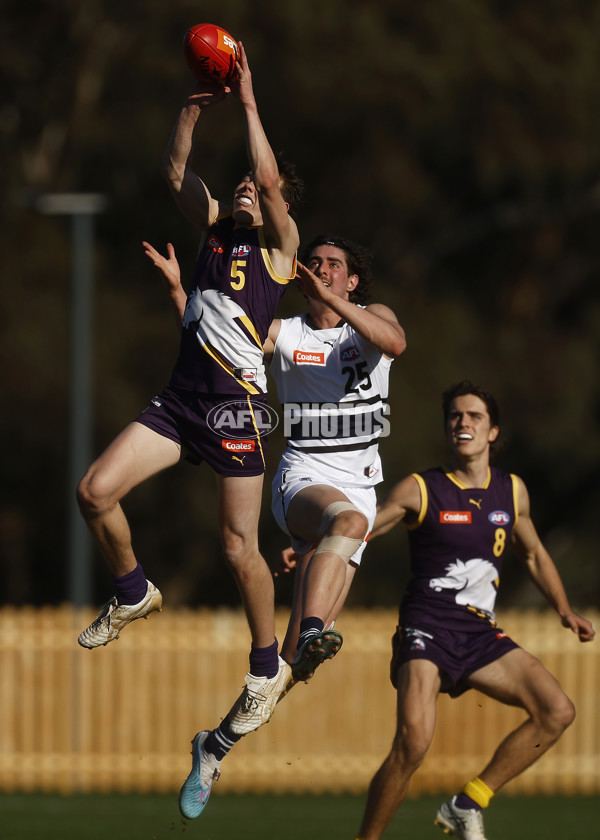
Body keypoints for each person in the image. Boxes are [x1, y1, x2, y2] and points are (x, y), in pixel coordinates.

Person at [76, 42, 303, 739]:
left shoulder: (279, 252)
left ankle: (267, 664)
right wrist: (192, 108)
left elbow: (268, 182)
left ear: (274, 204)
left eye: (254, 187)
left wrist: (252, 99)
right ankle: (133, 589)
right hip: (180, 403)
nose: (243, 187)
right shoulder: (210, 232)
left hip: (236, 409)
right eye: (236, 183)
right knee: (94, 492)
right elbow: (174, 169)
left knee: (240, 549)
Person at [144, 233, 406, 818]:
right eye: (311, 265)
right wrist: (178, 291)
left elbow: (395, 341)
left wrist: (332, 302)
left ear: (352, 280)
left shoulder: (370, 319)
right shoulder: (286, 331)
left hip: (359, 480)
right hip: (301, 478)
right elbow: (219, 339)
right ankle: (314, 626)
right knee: (349, 520)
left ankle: (213, 747)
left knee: (283, 676)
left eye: (334, 266)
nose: (321, 271)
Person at [353, 380, 595, 840]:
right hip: (426, 625)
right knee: (413, 743)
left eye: (474, 416)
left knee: (557, 710)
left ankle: (468, 803)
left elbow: (534, 555)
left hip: (479, 633)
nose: (462, 423)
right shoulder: (421, 488)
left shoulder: (513, 491)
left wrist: (566, 610)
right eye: (455, 416)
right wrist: (311, 550)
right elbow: (364, 531)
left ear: (492, 432)